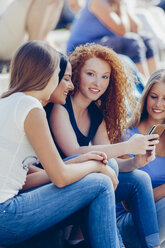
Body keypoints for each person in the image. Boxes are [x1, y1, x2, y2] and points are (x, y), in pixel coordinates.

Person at [0, 40, 124, 248]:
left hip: (7, 211)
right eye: (59, 75)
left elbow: (21, 179)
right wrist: (95, 167)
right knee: (101, 184)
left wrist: (80, 162)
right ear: (46, 74)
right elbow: (60, 177)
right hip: (6, 215)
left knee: (97, 174)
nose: (67, 84)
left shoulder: (8, 102)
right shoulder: (31, 107)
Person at [49, 43, 160, 248]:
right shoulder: (61, 107)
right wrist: (128, 146)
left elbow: (114, 160)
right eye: (90, 74)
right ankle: (76, 237)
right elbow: (74, 152)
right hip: (58, 182)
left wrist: (136, 161)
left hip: (84, 180)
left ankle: (152, 245)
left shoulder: (96, 114)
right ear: (77, 74)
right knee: (110, 166)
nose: (97, 82)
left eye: (104, 76)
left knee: (140, 177)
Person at [116, 69, 165, 248]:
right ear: (145, 97)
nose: (158, 104)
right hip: (127, 222)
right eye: (154, 96)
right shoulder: (126, 136)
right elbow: (130, 203)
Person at [67, 0, 158, 79]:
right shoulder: (97, 2)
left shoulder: (116, 2)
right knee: (131, 42)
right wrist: (121, 6)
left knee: (146, 39)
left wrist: (122, 5)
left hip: (100, 41)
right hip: (80, 47)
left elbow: (136, 29)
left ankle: (154, 82)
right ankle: (143, 88)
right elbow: (122, 31)